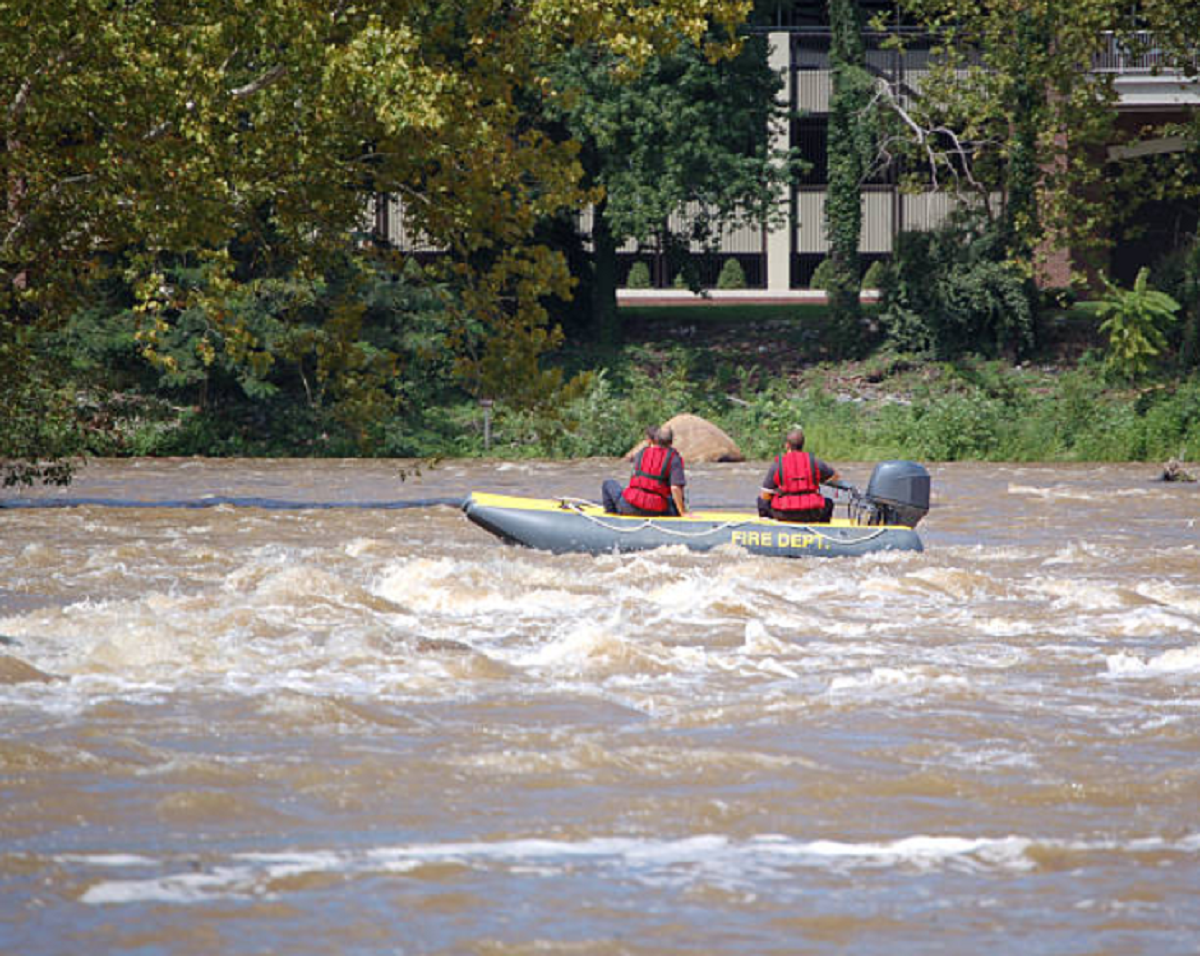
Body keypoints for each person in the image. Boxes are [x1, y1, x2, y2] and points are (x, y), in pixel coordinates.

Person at [602, 425, 687, 517]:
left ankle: (611, 516)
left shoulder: (641, 453)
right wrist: (682, 512)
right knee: (674, 499)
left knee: (608, 484)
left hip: (628, 505)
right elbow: (675, 488)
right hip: (655, 510)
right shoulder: (674, 458)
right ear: (671, 442)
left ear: (655, 439)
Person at [758, 426, 839, 522]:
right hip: (812, 513)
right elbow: (835, 477)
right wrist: (816, 479)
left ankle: (767, 526)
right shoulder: (814, 462)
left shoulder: (778, 465)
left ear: (787, 445)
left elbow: (765, 495)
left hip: (784, 514)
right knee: (828, 503)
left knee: (761, 500)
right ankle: (822, 530)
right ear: (803, 445)